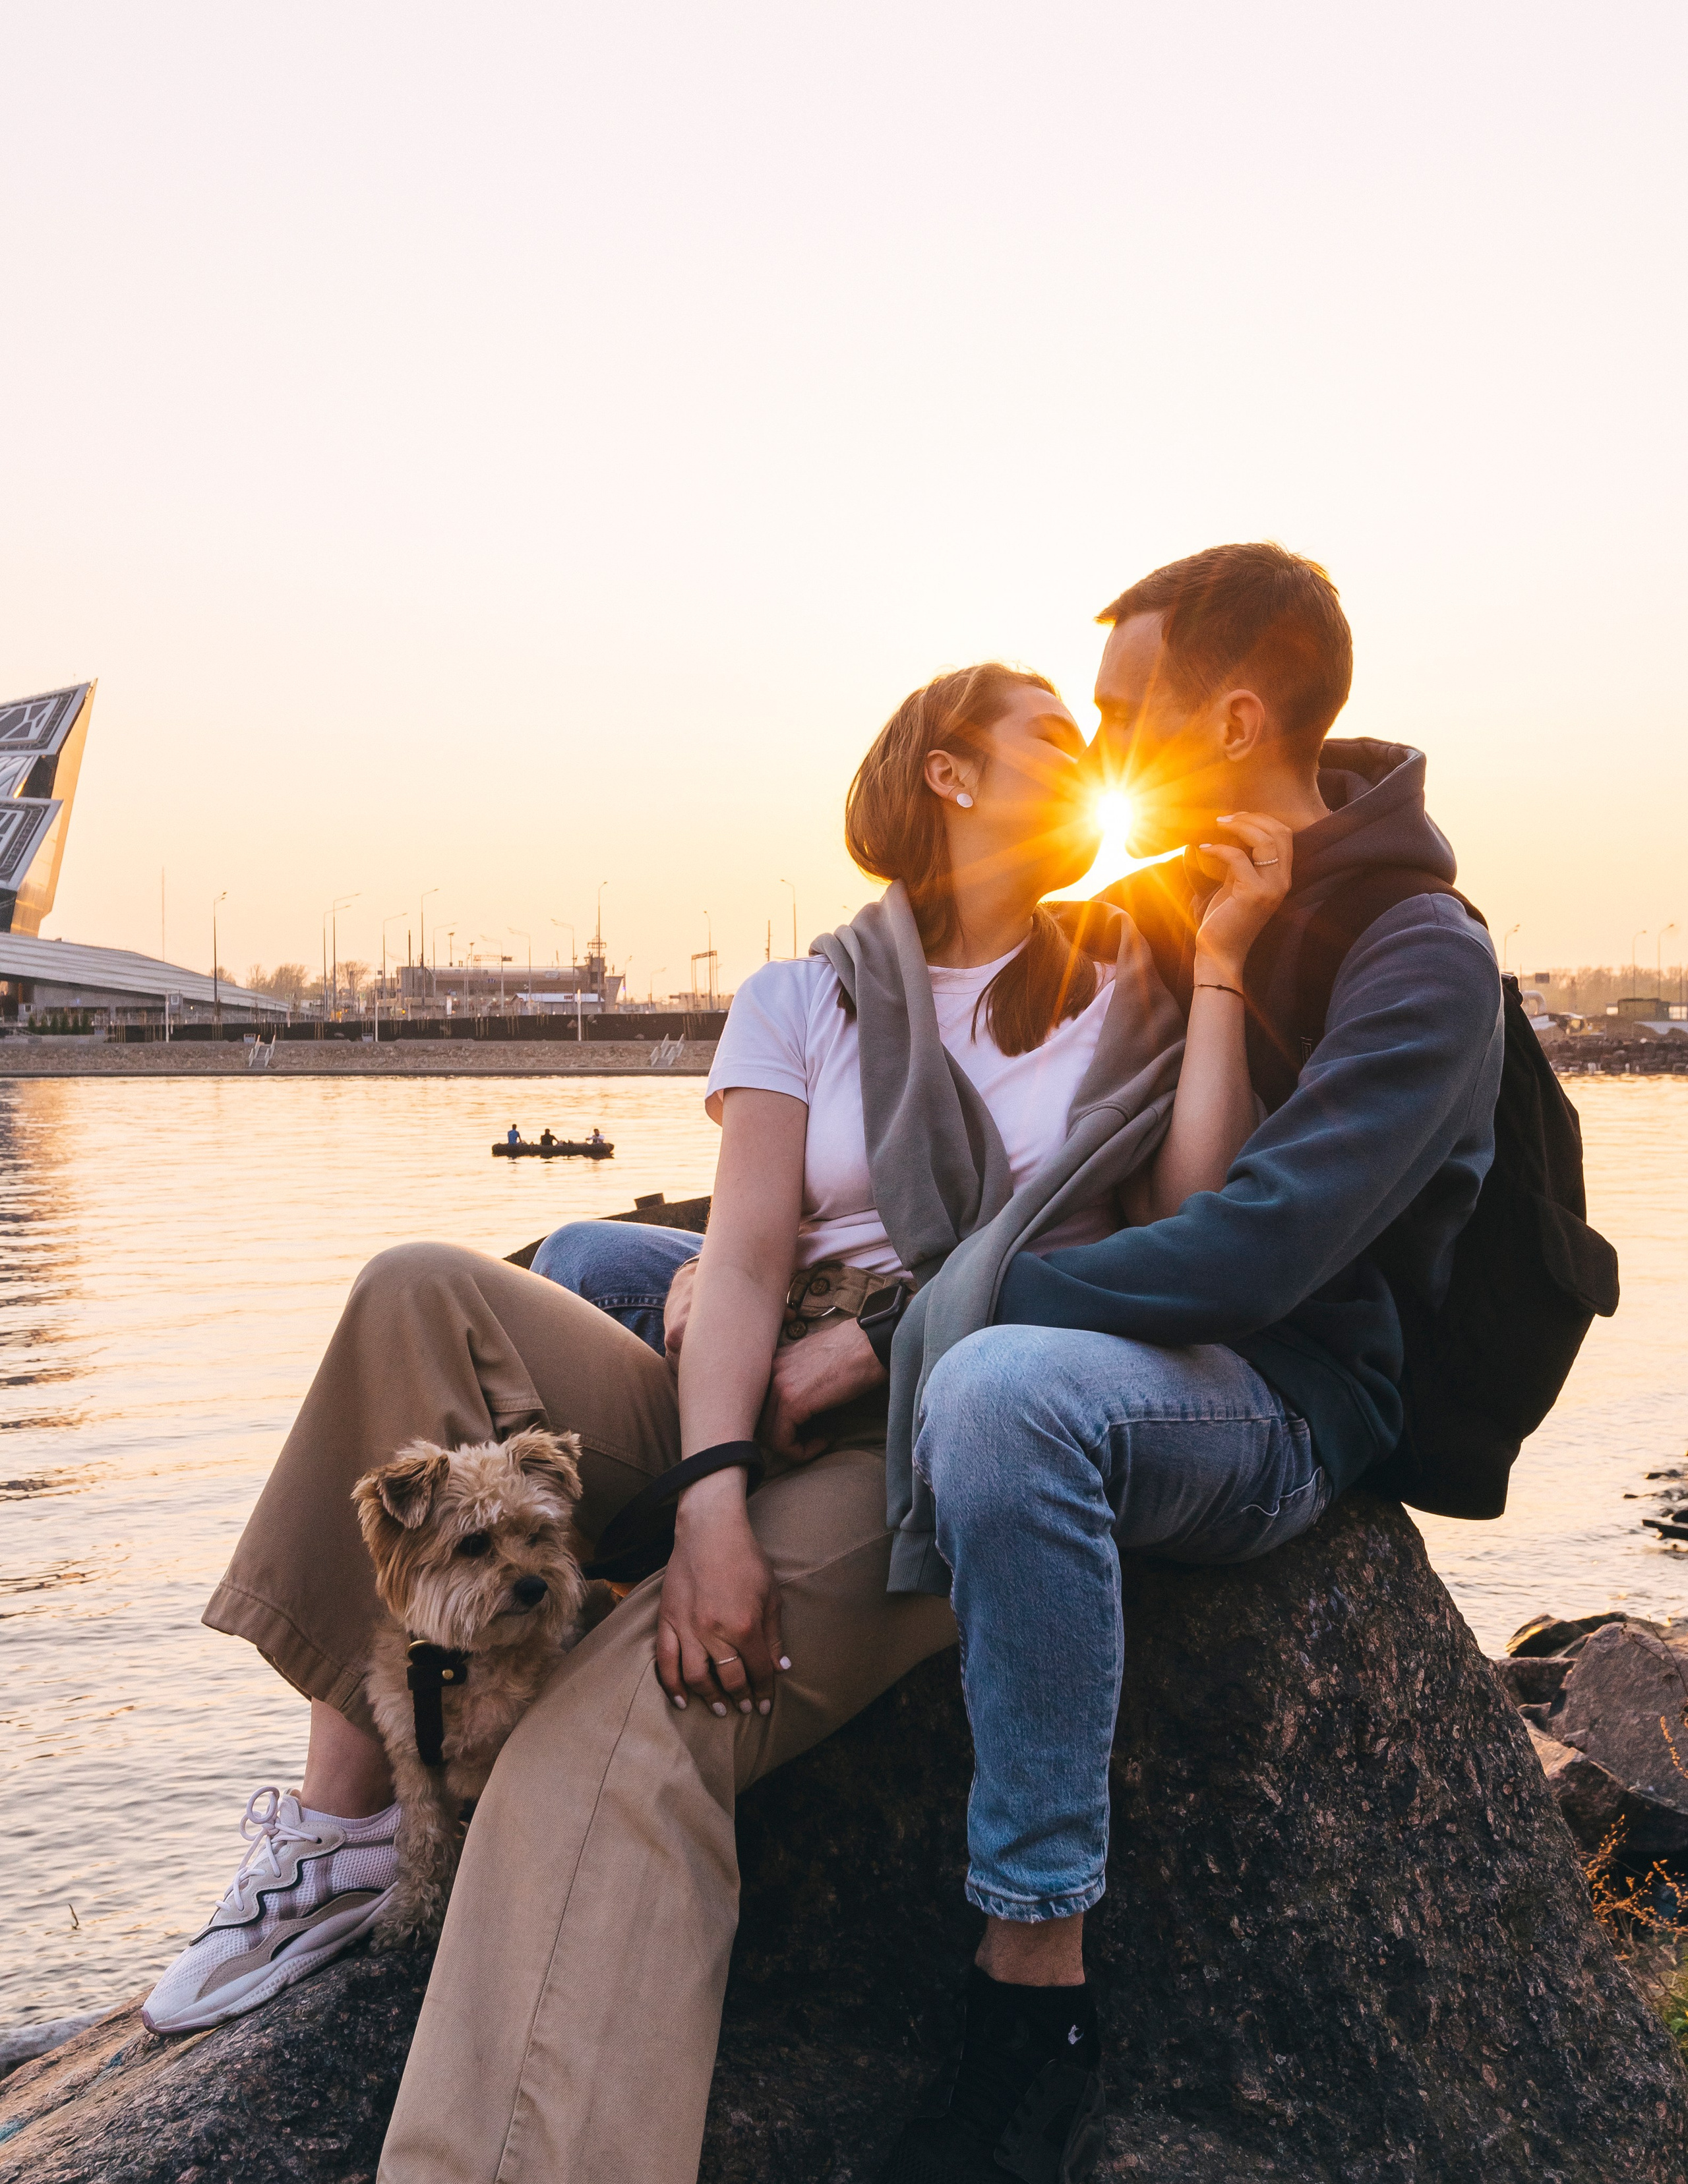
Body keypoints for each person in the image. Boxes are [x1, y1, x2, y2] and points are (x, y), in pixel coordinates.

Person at [140, 655, 1288, 2184]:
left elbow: (1186, 1219)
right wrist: (708, 1504)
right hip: (756, 1374)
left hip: (943, 1416)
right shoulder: (807, 995)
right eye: (1051, 736)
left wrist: (1220, 969)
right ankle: (344, 1828)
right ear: (946, 772)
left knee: (612, 1728)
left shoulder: (1123, 977)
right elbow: (741, 1262)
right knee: (417, 1288)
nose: (1087, 756)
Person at [532, 544, 1505, 2184]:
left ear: (1234, 717)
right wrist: (730, 1259)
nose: (1099, 744)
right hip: (1076, 1307)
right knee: (585, 1262)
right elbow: (985, 1107)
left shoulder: (1417, 952)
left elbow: (1245, 1253)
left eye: (1119, 709)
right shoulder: (1163, 888)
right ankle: (476, 1678)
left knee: (991, 1392)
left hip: (1269, 1387)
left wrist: (889, 1333)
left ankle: (1031, 1982)